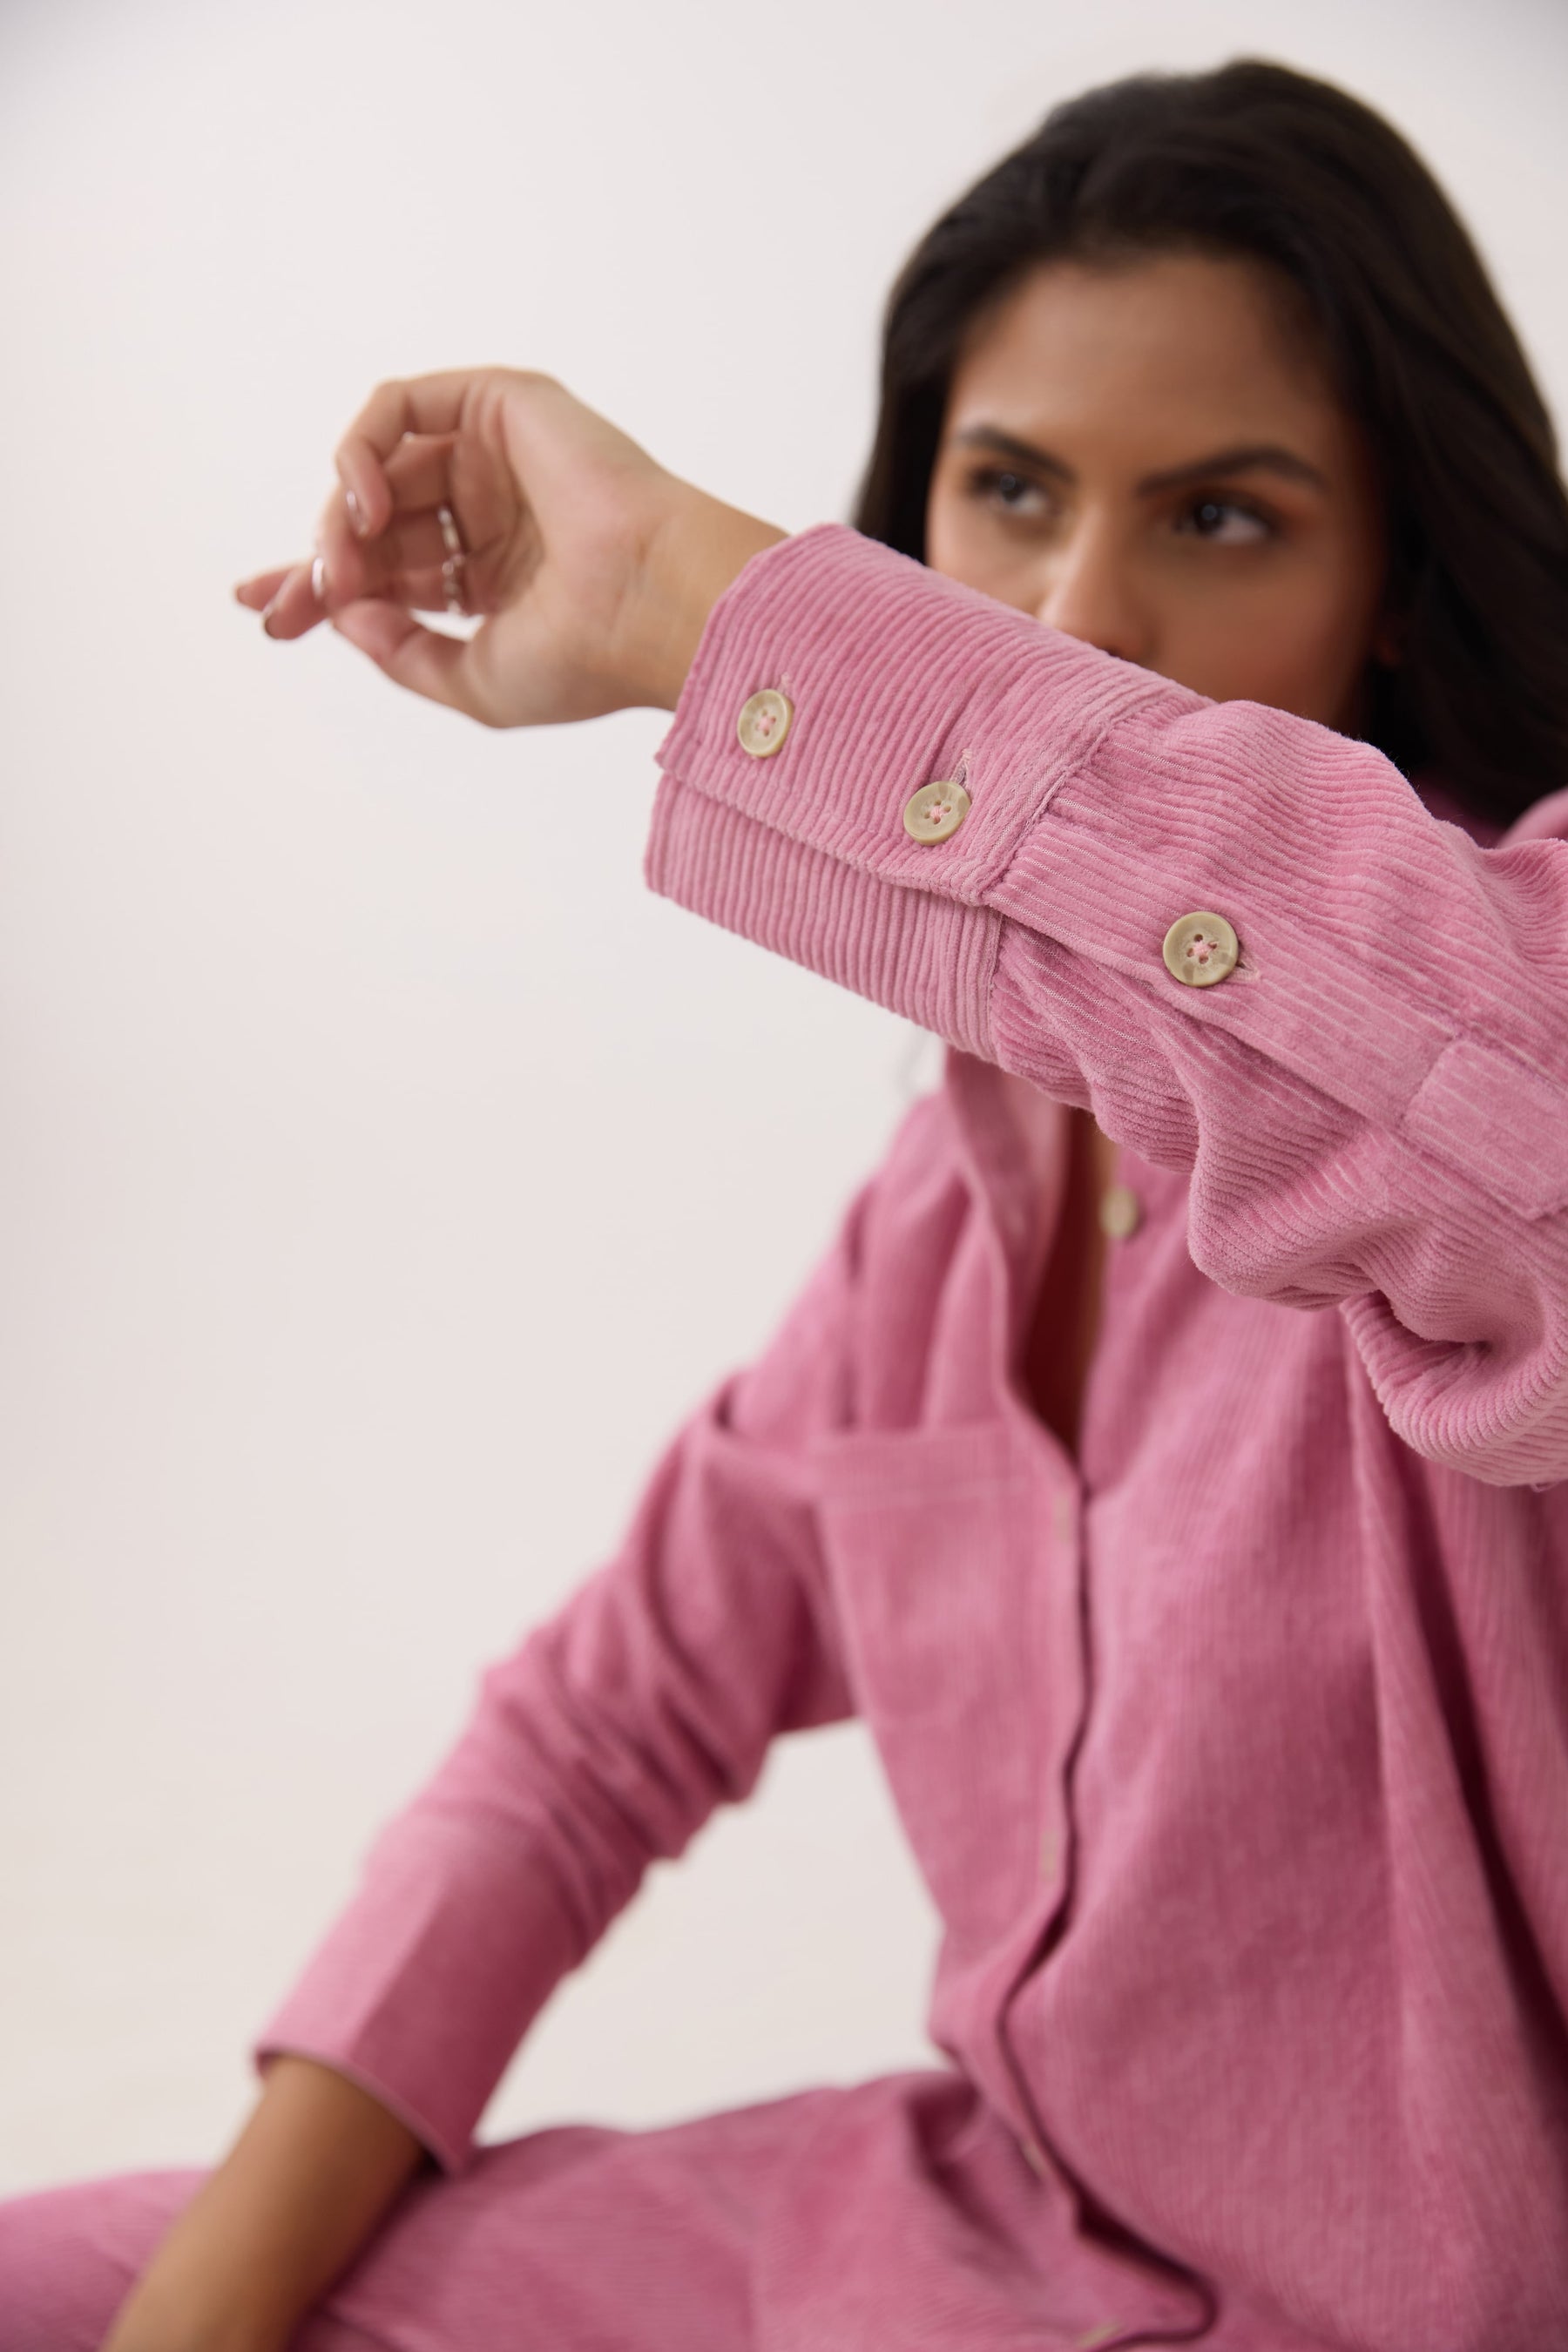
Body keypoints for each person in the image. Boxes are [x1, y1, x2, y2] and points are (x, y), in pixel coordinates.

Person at [6, 52, 1568, 2352]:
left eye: (1221, 517)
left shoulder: (1509, 1003)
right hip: (963, 2250)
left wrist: (671, 592)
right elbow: (589, 1730)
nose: (1074, 610)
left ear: (1404, 587)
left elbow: (1494, 1135)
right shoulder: (953, 1209)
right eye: (1009, 491)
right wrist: (202, 2318)